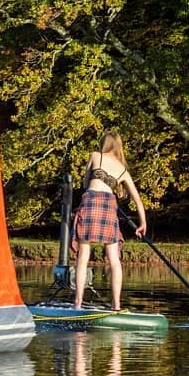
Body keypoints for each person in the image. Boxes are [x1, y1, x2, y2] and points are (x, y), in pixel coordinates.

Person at [72, 130, 147, 311]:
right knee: (114, 259)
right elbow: (137, 200)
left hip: (90, 201)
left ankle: (78, 303)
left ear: (104, 143)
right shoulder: (123, 170)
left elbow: (85, 183)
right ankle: (116, 305)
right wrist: (143, 223)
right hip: (108, 204)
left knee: (83, 256)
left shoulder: (95, 156)